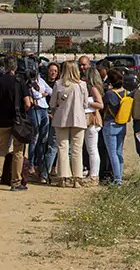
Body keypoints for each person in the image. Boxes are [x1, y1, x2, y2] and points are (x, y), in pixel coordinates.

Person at [0, 57, 32, 191]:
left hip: (2, 120)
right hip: (17, 121)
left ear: (4, 67)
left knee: (1, 150)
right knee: (18, 151)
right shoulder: (20, 82)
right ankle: (15, 182)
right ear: (15, 67)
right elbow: (27, 103)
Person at [50, 60, 88, 188]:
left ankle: (63, 177)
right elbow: (85, 104)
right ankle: (77, 178)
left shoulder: (58, 84)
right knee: (77, 149)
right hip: (78, 119)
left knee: (62, 147)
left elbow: (52, 103)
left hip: (61, 118)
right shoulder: (82, 85)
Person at [102, 68, 128, 186]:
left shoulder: (109, 94)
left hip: (110, 124)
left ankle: (117, 179)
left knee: (112, 153)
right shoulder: (125, 92)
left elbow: (104, 106)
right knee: (119, 152)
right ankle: (120, 176)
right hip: (122, 124)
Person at [28, 66, 52, 184]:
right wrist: (43, 94)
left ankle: (41, 164)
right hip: (35, 109)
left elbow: (50, 91)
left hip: (44, 109)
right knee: (35, 137)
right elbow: (35, 95)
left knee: (44, 137)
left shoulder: (41, 80)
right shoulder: (29, 82)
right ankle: (31, 164)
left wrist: (44, 94)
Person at [83, 67, 105, 186]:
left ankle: (94, 175)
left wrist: (88, 103)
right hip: (92, 120)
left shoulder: (93, 89)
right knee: (91, 149)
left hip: (92, 120)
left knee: (92, 149)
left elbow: (100, 104)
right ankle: (93, 174)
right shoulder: (94, 88)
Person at [41, 62, 60, 182]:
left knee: (55, 145)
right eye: (51, 70)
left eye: (55, 71)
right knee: (44, 141)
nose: (53, 73)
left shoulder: (58, 85)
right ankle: (41, 167)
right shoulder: (43, 83)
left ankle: (53, 167)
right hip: (45, 113)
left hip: (55, 116)